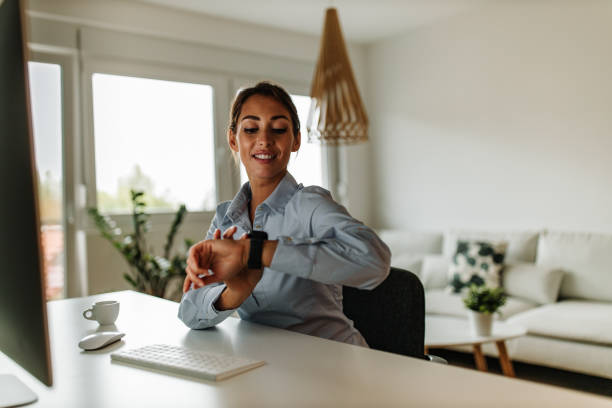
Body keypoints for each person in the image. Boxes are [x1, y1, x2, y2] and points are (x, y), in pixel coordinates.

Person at [178, 81, 390, 346]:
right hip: (266, 364)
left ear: (296, 140)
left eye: (278, 129)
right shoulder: (226, 217)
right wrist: (235, 292)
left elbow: (374, 262)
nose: (264, 140)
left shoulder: (310, 204)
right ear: (233, 139)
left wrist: (255, 252)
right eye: (251, 129)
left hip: (332, 361)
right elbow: (189, 312)